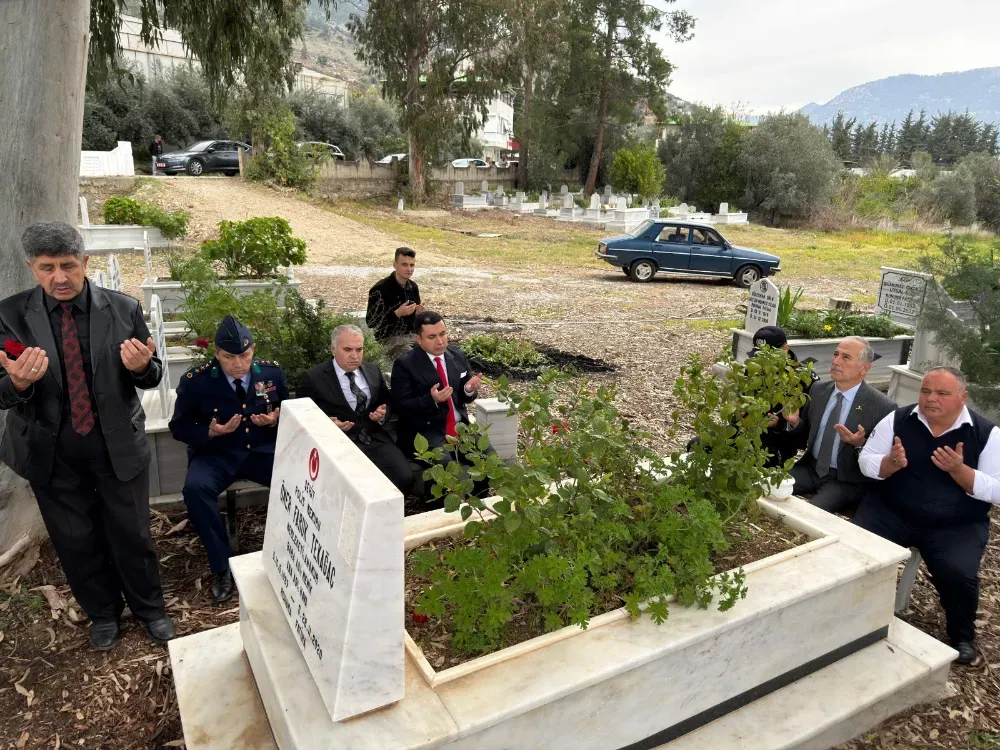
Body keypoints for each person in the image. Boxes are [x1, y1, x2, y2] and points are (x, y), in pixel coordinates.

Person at [0, 221, 174, 651]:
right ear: (32, 267)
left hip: (116, 447)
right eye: (47, 268)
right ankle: (103, 614)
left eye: (68, 265)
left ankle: (150, 609)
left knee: (132, 533)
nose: (59, 277)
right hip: (50, 452)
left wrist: (141, 368)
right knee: (75, 539)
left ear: (85, 262)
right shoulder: (10, 316)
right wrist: (17, 383)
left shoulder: (123, 308)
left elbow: (152, 374)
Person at [856, 367, 998, 665]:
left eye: (942, 393)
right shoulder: (898, 419)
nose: (931, 398)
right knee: (856, 552)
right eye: (926, 391)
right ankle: (852, 611)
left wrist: (960, 471)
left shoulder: (986, 434)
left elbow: (997, 490)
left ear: (962, 398)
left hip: (955, 523)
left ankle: (961, 635)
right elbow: (866, 460)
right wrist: (889, 463)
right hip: (891, 511)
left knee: (958, 573)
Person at [168, 316, 287, 604]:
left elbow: (287, 408)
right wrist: (209, 431)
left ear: (253, 349)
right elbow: (179, 427)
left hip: (260, 451)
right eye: (229, 357)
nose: (239, 364)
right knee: (195, 490)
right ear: (216, 353)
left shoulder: (270, 373)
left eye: (245, 355)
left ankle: (290, 552)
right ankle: (222, 567)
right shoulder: (196, 381)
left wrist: (274, 420)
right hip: (216, 454)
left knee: (298, 480)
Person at [298, 324, 414, 495]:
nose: (355, 355)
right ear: (333, 349)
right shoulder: (313, 377)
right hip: (337, 442)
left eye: (359, 349)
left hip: (373, 437)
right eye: (348, 350)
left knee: (405, 478)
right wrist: (328, 424)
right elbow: (302, 416)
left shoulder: (372, 370)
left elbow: (387, 401)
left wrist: (382, 413)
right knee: (351, 488)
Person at [785, 336, 895, 514]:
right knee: (766, 486)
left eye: (846, 357)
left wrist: (859, 444)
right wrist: (795, 422)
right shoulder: (818, 390)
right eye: (836, 354)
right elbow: (805, 436)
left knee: (809, 514)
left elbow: (881, 459)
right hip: (811, 468)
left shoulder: (882, 406)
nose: (836, 361)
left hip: (845, 479)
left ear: (865, 368)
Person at [390, 311, 491, 495]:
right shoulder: (405, 364)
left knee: (490, 459)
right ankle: (436, 507)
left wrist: (469, 389)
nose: (440, 341)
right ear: (418, 339)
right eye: (432, 337)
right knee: (444, 467)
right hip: (424, 431)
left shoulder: (456, 356)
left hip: (460, 428)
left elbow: (464, 395)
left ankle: (479, 503)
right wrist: (431, 400)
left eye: (443, 334)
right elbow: (400, 406)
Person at [747, 326, 820, 468]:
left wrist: (779, 424)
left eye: (770, 355)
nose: (762, 361)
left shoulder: (804, 379)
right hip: (748, 435)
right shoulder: (754, 368)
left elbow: (807, 433)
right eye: (759, 355)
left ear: (785, 349)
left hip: (778, 445)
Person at [366, 247, 424, 355]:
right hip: (388, 339)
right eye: (404, 265)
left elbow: (414, 321)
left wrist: (418, 314)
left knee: (435, 351)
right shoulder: (380, 289)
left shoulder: (413, 287)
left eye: (412, 265)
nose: (409, 269)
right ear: (395, 265)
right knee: (413, 359)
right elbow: (371, 322)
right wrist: (397, 313)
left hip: (412, 336)